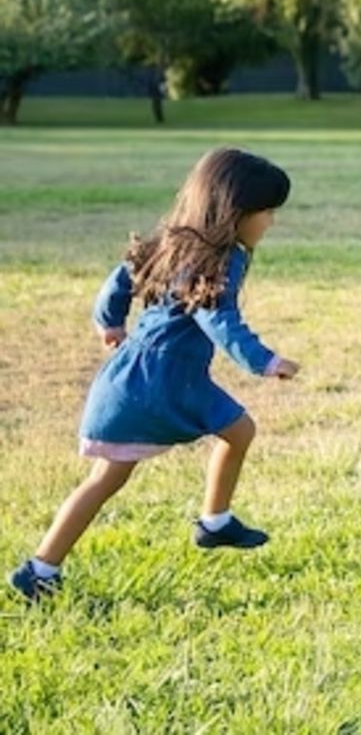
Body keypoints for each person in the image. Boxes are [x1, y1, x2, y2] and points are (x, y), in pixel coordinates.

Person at [10, 148, 299, 602]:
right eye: (267, 212)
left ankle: (41, 568)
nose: (271, 223)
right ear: (235, 211)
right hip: (164, 381)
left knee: (112, 477)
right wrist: (263, 360)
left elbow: (119, 280)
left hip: (138, 373)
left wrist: (110, 323)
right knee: (229, 435)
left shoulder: (170, 240)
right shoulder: (221, 258)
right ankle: (211, 523)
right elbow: (217, 318)